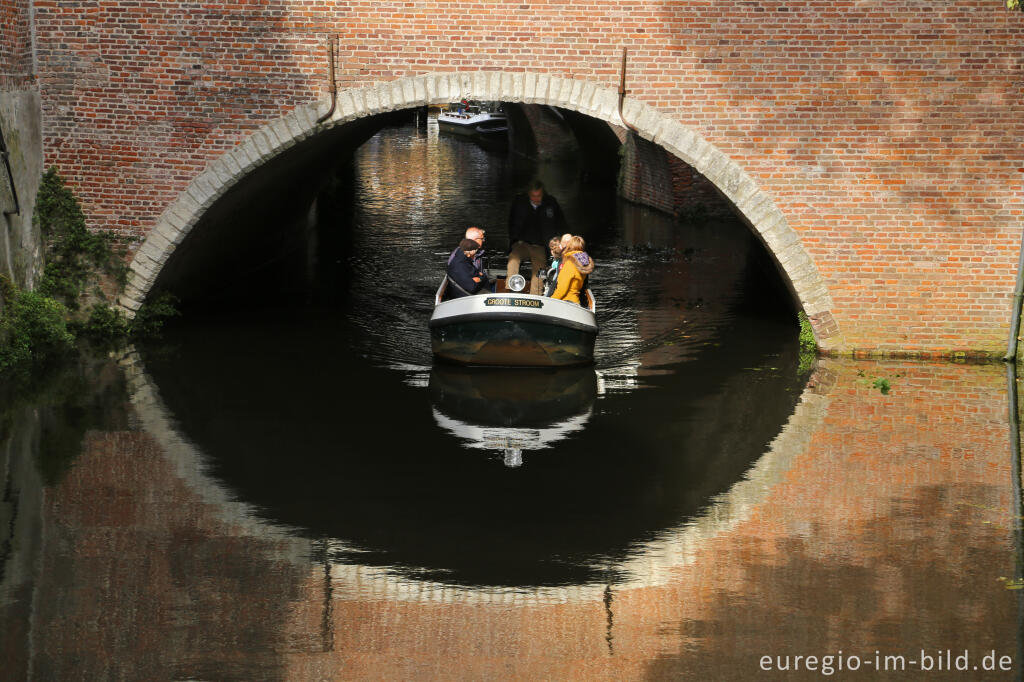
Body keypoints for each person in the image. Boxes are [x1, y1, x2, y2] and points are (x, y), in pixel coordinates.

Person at [507, 180, 567, 295]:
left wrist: (565, 239)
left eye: (539, 195)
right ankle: (512, 288)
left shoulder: (551, 203)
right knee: (513, 261)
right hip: (521, 243)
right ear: (529, 194)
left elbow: (561, 222)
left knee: (540, 269)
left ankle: (536, 295)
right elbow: (511, 222)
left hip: (540, 245)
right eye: (533, 196)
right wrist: (513, 241)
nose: (536, 198)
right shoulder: (519, 202)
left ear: (543, 193)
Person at [551, 235, 594, 306]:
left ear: (569, 246)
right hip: (576, 302)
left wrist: (551, 301)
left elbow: (562, 289)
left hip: (565, 302)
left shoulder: (570, 263)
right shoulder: (583, 262)